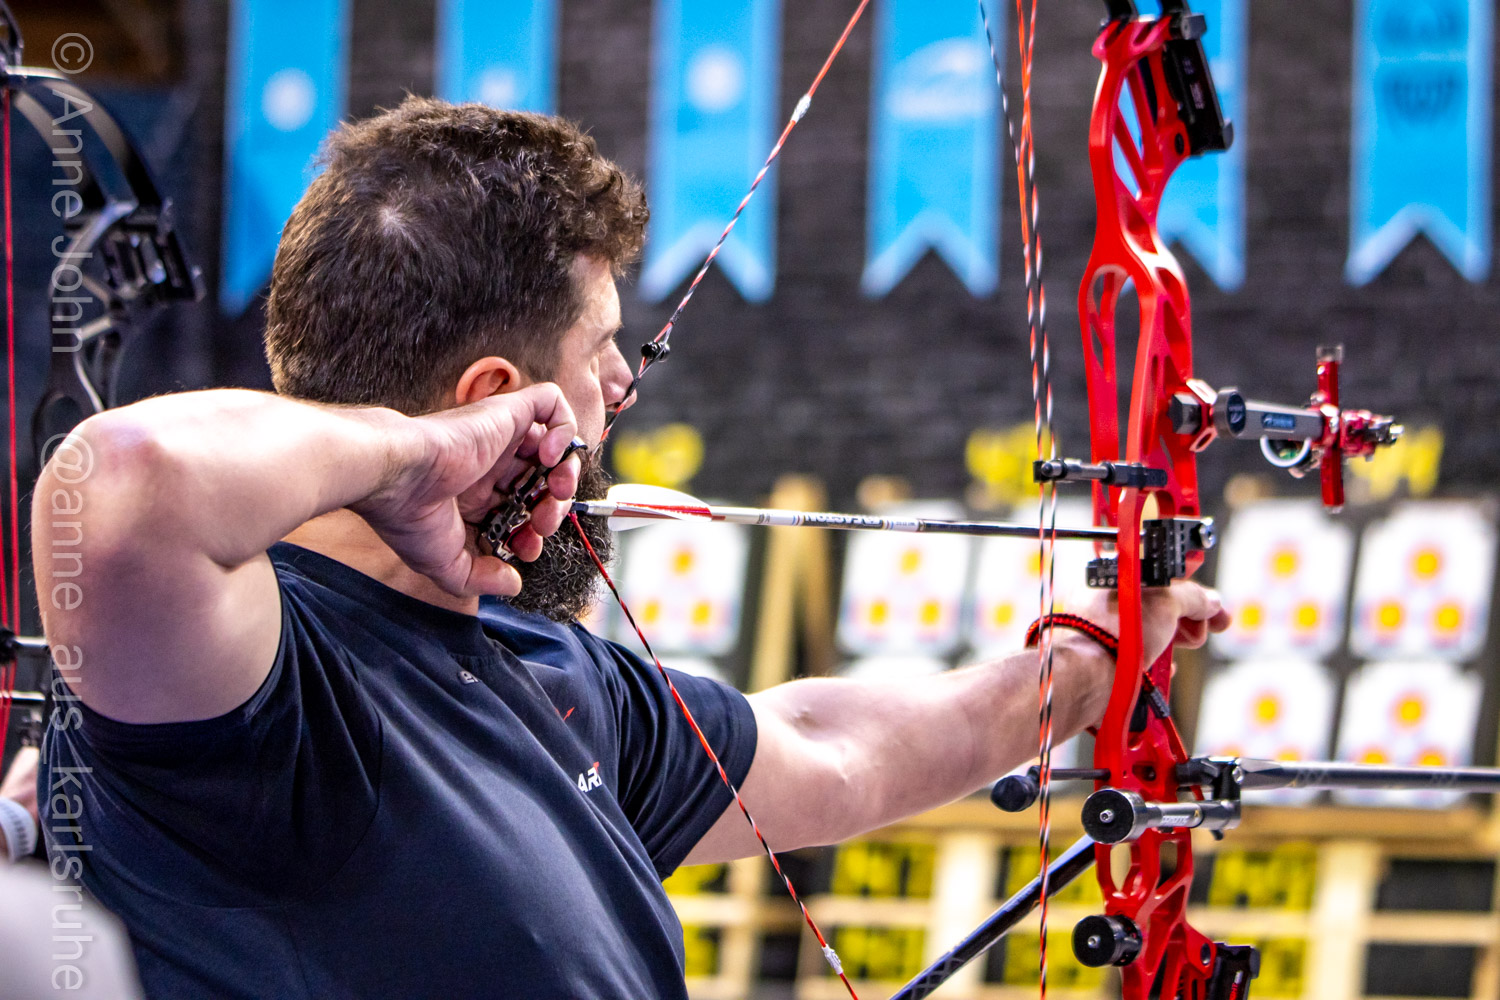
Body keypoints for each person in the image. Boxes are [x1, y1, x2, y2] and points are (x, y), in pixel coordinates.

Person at [33, 98, 1228, 999]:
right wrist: (415, 454)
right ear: (490, 400)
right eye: (601, 349)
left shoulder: (555, 679)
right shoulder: (251, 685)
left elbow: (835, 749)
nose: (622, 385)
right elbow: (120, 483)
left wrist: (1090, 660)